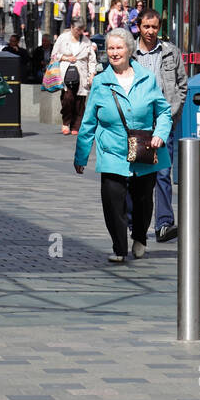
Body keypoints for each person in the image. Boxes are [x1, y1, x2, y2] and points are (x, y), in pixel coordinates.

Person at [73, 28, 172, 263]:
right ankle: (119, 247)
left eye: (119, 48)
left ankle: (140, 237)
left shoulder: (147, 78)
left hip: (144, 149)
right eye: (110, 48)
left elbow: (164, 112)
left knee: (142, 200)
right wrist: (81, 157)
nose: (114, 52)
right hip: (112, 151)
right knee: (112, 200)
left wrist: (160, 134)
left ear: (129, 49)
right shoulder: (100, 82)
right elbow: (88, 123)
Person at [132, 8, 186, 243]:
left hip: (163, 123)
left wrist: (172, 113)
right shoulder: (129, 53)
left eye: (154, 27)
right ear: (139, 26)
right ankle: (135, 222)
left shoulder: (170, 52)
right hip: (136, 123)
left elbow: (182, 86)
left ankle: (164, 223)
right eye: (146, 27)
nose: (151, 31)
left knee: (163, 174)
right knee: (134, 175)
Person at [53, 21, 97, 135]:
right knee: (67, 98)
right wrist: (66, 58)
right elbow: (54, 55)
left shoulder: (87, 41)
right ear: (71, 27)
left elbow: (92, 59)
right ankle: (66, 122)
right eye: (77, 29)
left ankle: (76, 125)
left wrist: (92, 73)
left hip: (81, 73)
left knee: (80, 101)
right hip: (66, 72)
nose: (79, 32)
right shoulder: (63, 38)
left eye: (81, 29)